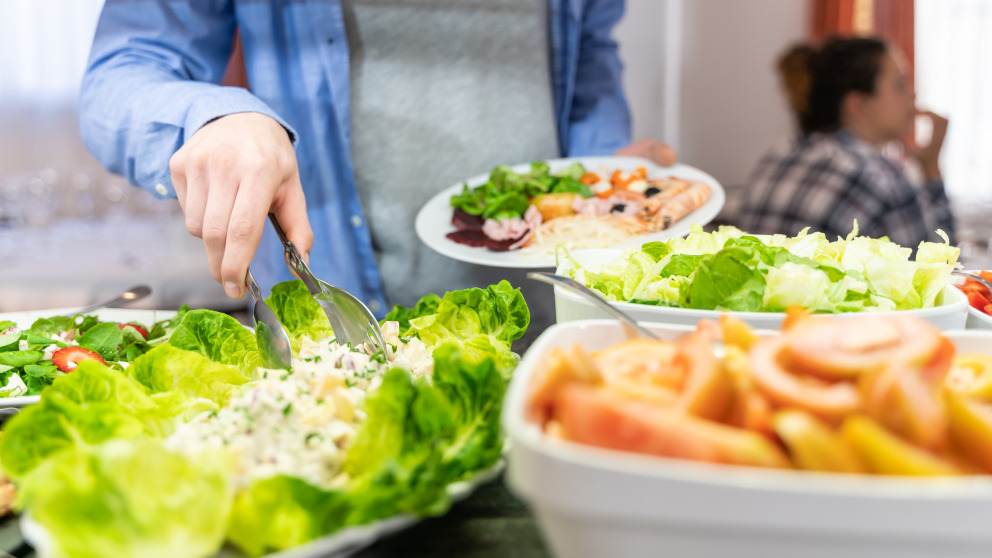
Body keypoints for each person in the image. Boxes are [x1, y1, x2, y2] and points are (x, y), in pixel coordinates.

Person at [78, 1, 677, 340]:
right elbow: (118, 77)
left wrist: (598, 169)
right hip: (341, 331)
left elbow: (589, 59)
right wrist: (215, 116)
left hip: (553, 315)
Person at [736, 36, 955, 248]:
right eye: (900, 85)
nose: (912, 95)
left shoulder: (777, 155)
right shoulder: (884, 179)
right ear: (860, 105)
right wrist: (931, 168)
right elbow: (944, 270)